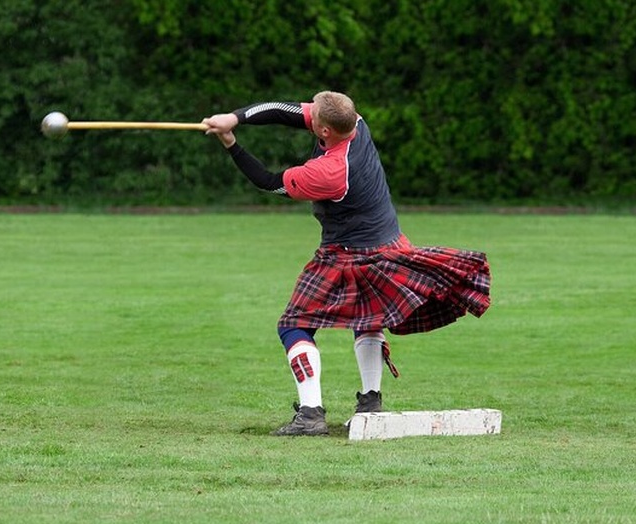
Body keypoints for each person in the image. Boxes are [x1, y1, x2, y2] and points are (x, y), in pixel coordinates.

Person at [202, 91, 491, 436]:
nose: (306, 113)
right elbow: (285, 112)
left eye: (314, 115)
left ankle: (310, 415)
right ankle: (371, 404)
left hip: (347, 253)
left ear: (324, 130)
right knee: (369, 321)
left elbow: (267, 182)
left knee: (294, 324)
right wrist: (236, 116)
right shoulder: (356, 123)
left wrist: (231, 143)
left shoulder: (329, 171)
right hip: (389, 244)